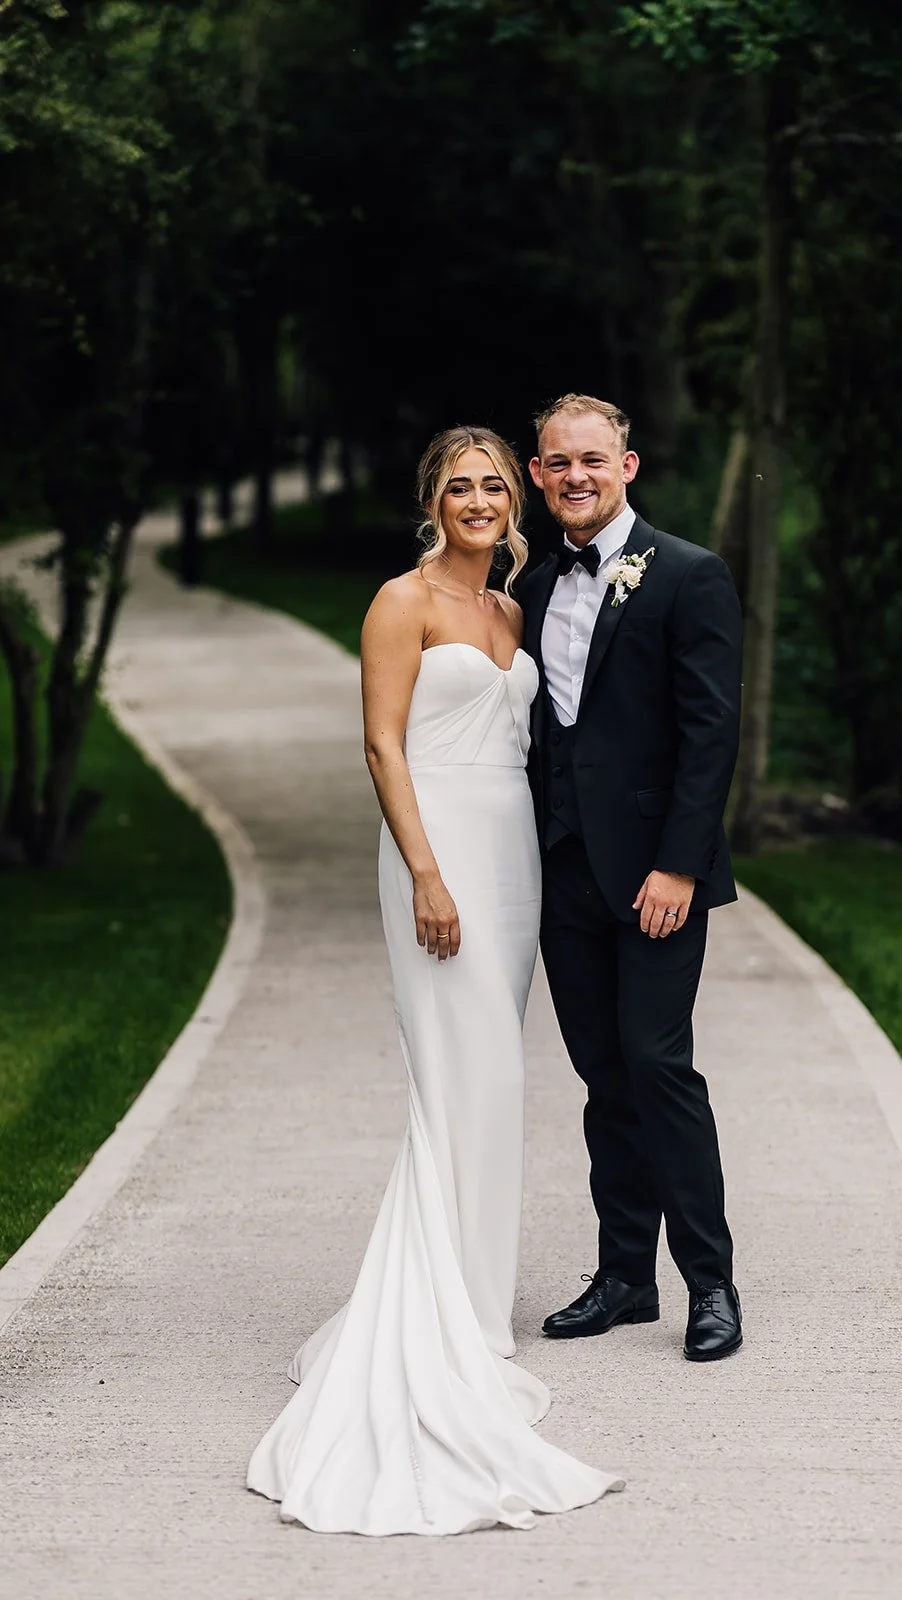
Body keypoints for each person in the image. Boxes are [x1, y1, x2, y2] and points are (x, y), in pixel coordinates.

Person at [246, 425, 622, 1535]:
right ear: (431, 501)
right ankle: (443, 1317)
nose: (476, 499)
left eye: (493, 485)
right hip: (437, 853)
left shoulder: (513, 612)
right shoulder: (397, 602)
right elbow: (382, 747)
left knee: (496, 1082)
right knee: (459, 1082)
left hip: (509, 864)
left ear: (517, 502)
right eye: (457, 485)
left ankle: (472, 1304)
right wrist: (424, 871)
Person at [521, 393, 744, 1362]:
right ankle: (622, 1277)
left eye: (592, 460)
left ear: (627, 466)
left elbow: (709, 733)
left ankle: (710, 1283)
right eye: (557, 461)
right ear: (537, 474)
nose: (575, 475)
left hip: (657, 876)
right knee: (600, 1075)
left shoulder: (686, 575)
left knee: (657, 1067)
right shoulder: (523, 588)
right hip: (561, 871)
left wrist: (677, 864)